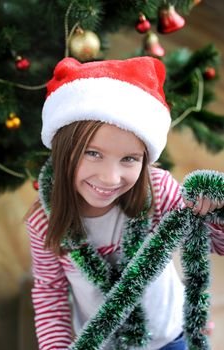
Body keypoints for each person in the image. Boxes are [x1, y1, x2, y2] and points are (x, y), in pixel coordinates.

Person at [26, 56, 224, 350]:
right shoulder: (44, 223)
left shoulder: (157, 191)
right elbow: (50, 292)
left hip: (170, 335)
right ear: (63, 149)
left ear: (145, 160)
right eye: (92, 153)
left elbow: (213, 243)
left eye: (129, 159)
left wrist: (214, 214)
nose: (110, 178)